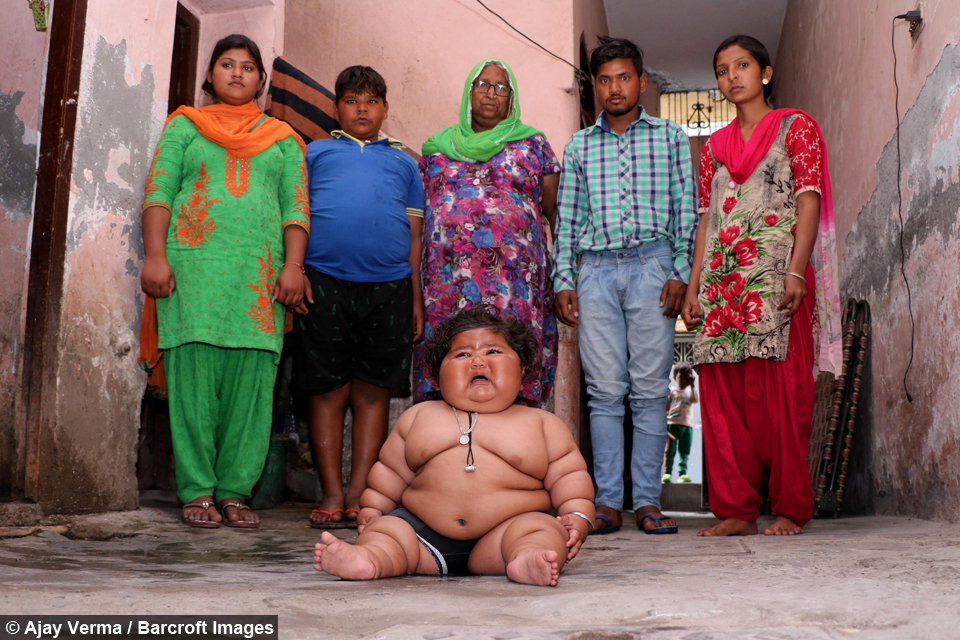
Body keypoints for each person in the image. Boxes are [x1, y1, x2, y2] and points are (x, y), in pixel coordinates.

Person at [140, 34, 310, 528]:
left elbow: (296, 206)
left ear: (261, 80)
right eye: (227, 64)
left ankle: (235, 491)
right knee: (192, 382)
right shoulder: (184, 125)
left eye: (248, 67)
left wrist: (293, 267)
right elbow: (160, 189)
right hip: (191, 276)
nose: (237, 73)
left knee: (253, 387)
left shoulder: (283, 138)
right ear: (210, 76)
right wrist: (155, 256)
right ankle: (197, 491)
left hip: (258, 282)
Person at [681, 35, 842, 537]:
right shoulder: (713, 149)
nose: (733, 76)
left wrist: (797, 269)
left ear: (766, 73)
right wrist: (693, 286)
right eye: (723, 69)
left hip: (776, 279)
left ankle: (791, 506)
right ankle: (737, 509)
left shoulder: (798, 127)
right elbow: (706, 221)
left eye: (743, 65)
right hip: (723, 284)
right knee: (725, 400)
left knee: (783, 395)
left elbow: (809, 201)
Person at [313, 307, 595, 586]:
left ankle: (528, 559)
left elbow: (569, 476)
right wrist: (373, 509)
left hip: (502, 538)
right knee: (387, 532)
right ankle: (370, 559)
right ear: (438, 375)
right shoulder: (419, 417)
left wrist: (577, 516)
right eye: (462, 354)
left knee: (543, 530)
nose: (477, 361)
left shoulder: (542, 424)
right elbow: (390, 472)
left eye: (493, 351)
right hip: (422, 537)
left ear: (522, 370)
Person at [552, 37, 697, 535]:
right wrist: (564, 279)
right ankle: (608, 502)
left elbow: (686, 212)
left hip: (653, 268)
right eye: (605, 79)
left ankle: (648, 503)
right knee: (605, 392)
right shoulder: (578, 146)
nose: (615, 88)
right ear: (594, 87)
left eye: (624, 77)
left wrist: (679, 271)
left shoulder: (671, 138)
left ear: (642, 81)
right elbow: (567, 221)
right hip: (593, 273)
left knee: (650, 392)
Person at [292, 66, 425, 529]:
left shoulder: (406, 163)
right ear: (337, 107)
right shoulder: (315, 154)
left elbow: (414, 234)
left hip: (389, 287)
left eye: (371, 100)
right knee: (327, 390)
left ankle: (359, 491)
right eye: (352, 99)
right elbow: (295, 216)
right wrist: (296, 271)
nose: (362, 107)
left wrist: (415, 297)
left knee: (373, 392)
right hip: (323, 281)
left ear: (386, 108)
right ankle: (330, 491)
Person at [414, 58, 560, 408]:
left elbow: (556, 214)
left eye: (500, 87)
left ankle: (512, 448)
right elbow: (419, 221)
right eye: (482, 85)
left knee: (510, 361)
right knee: (452, 363)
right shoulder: (435, 150)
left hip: (514, 285)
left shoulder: (533, 146)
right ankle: (446, 450)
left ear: (512, 99)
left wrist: (566, 277)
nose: (490, 94)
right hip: (447, 285)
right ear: (468, 93)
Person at [663, 363, 698, 483]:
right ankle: (667, 473)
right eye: (680, 377)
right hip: (672, 424)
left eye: (686, 377)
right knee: (670, 450)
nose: (683, 380)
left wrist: (693, 385)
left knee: (684, 450)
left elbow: (695, 399)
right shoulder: (671, 391)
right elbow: (666, 407)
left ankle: (682, 474)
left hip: (687, 425)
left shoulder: (690, 392)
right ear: (674, 378)